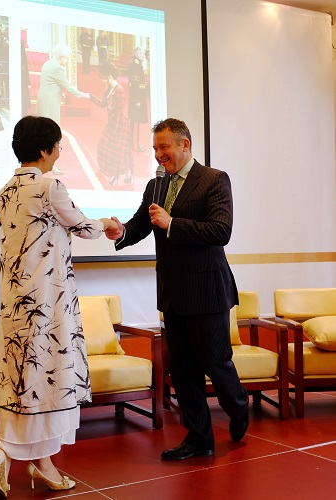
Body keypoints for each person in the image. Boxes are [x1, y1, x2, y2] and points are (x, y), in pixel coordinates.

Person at [0, 116, 117, 497]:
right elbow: (82, 225)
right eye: (57, 145)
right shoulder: (49, 186)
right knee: (49, 380)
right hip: (47, 304)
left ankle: (25, 461)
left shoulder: (5, 191)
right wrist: (108, 223)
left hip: (15, 307)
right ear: (44, 150)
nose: (59, 151)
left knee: (22, 381)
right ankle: (18, 458)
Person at [105, 118, 249, 460]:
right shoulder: (156, 185)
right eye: (155, 148)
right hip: (172, 292)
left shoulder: (214, 180)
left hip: (207, 290)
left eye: (164, 146)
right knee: (182, 371)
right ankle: (199, 438)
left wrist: (173, 224)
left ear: (185, 144)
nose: (158, 154)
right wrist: (121, 232)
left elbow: (220, 231)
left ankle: (238, 406)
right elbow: (142, 223)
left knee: (216, 363)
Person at [36, 44, 90, 175]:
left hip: (43, 99)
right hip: (51, 102)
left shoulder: (47, 64)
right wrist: (84, 95)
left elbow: (52, 83)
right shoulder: (57, 68)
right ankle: (49, 164)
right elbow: (68, 87)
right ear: (60, 57)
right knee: (52, 133)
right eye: (66, 58)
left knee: (43, 131)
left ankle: (42, 161)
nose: (67, 61)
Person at [90, 62, 133, 185]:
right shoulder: (108, 89)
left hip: (120, 126)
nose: (103, 81)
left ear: (109, 76)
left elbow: (119, 112)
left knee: (119, 153)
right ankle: (118, 173)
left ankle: (122, 174)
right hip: (112, 124)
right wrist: (91, 97)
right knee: (105, 148)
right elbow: (103, 104)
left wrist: (116, 131)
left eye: (104, 78)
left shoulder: (119, 90)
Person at [127, 46, 149, 152]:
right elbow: (134, 85)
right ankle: (135, 146)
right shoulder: (135, 65)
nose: (144, 56)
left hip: (137, 97)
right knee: (135, 122)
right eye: (142, 54)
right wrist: (137, 100)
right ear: (137, 54)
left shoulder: (136, 63)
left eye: (144, 54)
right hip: (136, 98)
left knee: (135, 122)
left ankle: (133, 144)